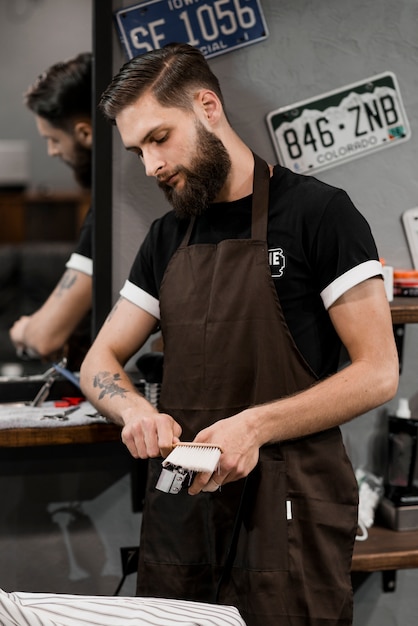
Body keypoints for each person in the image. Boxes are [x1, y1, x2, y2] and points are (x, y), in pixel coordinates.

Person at [80, 43, 399, 626]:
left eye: (159, 137)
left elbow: (378, 372)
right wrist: (131, 412)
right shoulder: (166, 237)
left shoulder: (320, 215)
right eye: (137, 150)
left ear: (207, 106)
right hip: (186, 514)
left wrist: (254, 425)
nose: (150, 166)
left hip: (290, 507)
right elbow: (99, 358)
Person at [9, 52, 93, 368]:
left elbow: (46, 336)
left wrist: (24, 330)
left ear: (84, 133)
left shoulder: (114, 214)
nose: (52, 151)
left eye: (54, 139)